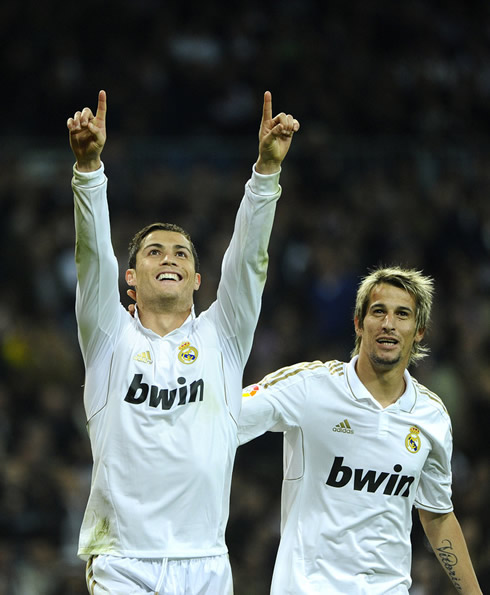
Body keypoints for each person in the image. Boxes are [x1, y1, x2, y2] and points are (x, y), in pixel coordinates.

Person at [67, 89, 299, 595]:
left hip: (207, 563)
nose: (169, 257)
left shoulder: (224, 337)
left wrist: (266, 174)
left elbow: (249, 260)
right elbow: (91, 257)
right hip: (123, 561)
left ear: (198, 278)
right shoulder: (108, 337)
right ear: (131, 278)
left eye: (181, 253)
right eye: (154, 251)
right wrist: (89, 171)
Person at [239, 266, 482, 594]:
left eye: (402, 314)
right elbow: (223, 418)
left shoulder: (431, 416)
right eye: (378, 311)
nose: (389, 324)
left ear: (420, 331)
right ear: (358, 323)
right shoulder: (311, 387)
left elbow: (437, 516)